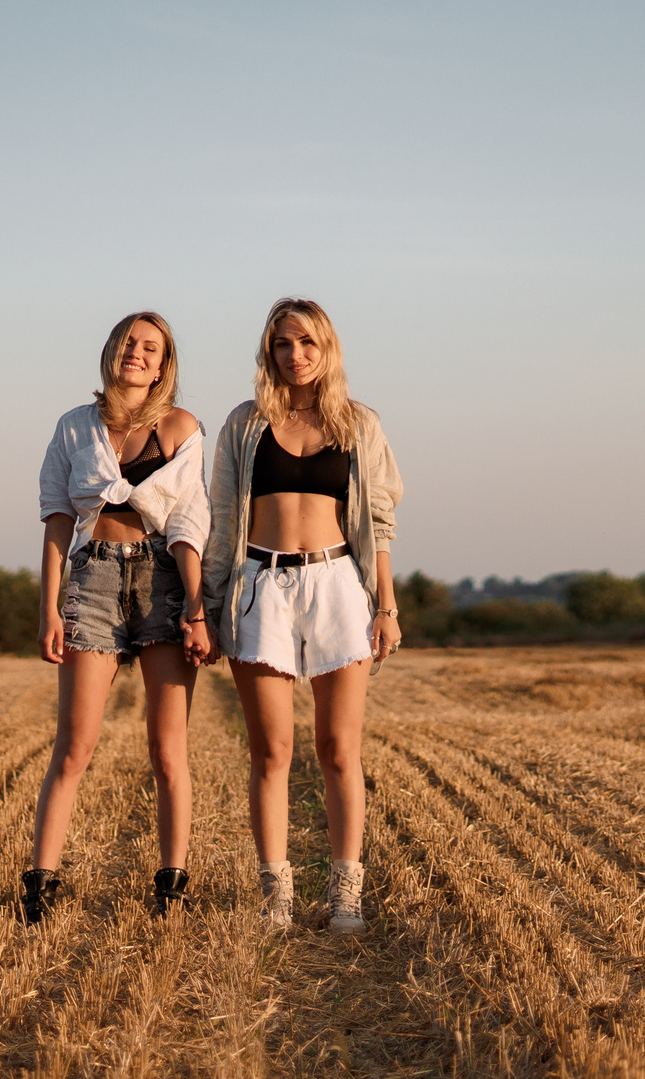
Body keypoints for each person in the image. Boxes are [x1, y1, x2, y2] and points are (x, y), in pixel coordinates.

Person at [202, 297, 404, 934]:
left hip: (337, 583)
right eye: (284, 344)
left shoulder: (358, 423)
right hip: (260, 585)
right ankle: (277, 900)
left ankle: (346, 897)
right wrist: (209, 605)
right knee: (272, 752)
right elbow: (222, 521)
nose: (296, 355)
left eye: (308, 342)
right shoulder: (245, 424)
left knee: (339, 749)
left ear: (327, 348)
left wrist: (386, 605)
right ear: (269, 352)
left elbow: (378, 521)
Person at [24, 311, 216, 924]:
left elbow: (190, 521)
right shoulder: (74, 427)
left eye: (150, 348)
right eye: (129, 342)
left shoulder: (182, 427)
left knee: (168, 749)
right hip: (94, 581)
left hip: (163, 581)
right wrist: (50, 607)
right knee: (74, 746)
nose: (137, 352)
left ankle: (171, 886)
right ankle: (39, 888)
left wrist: (196, 608)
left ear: (163, 366)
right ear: (111, 350)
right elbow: (58, 517)